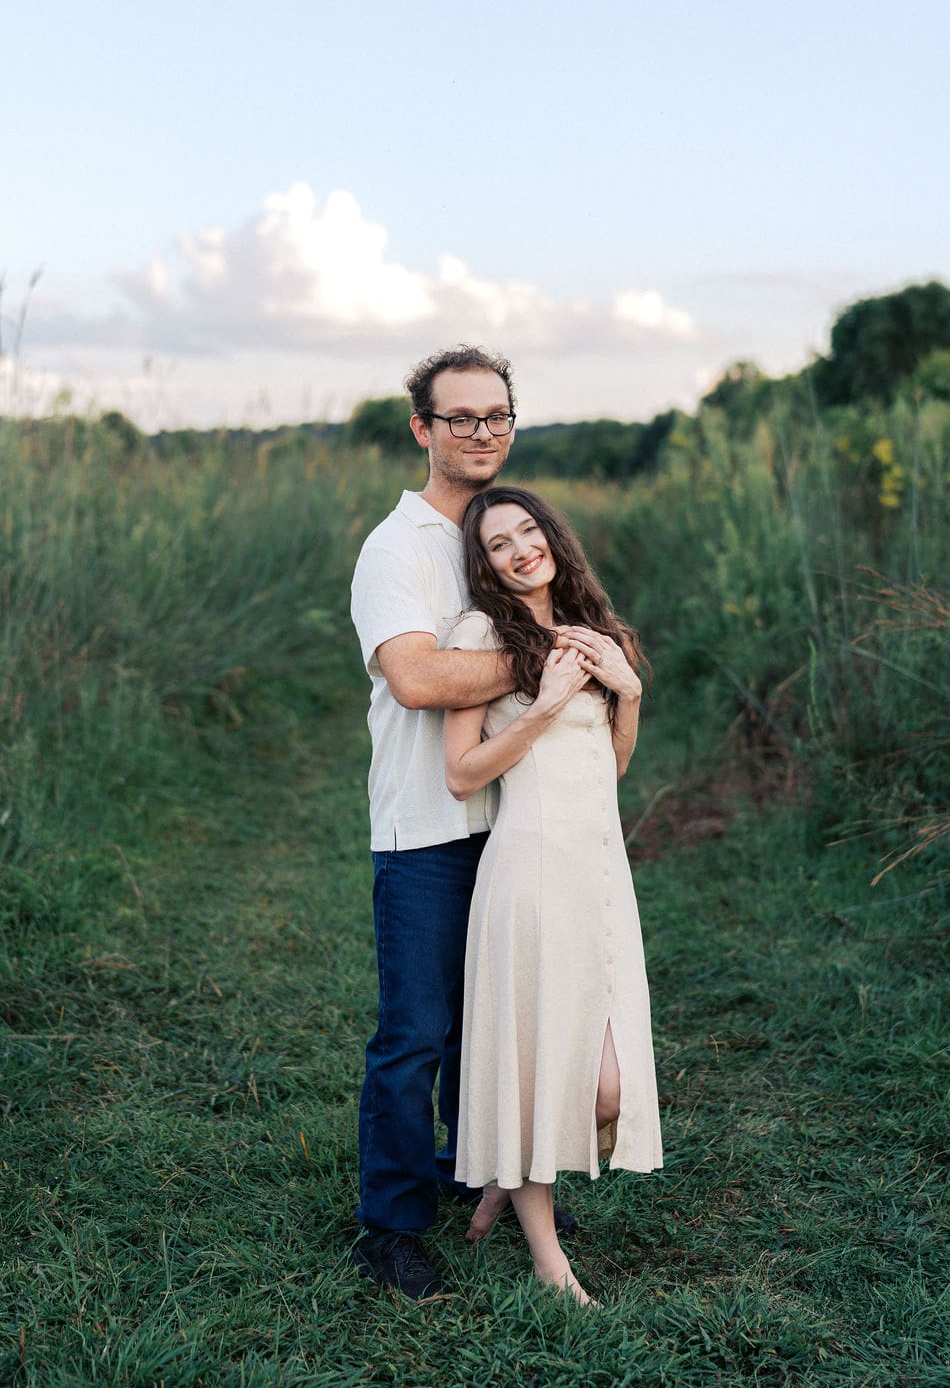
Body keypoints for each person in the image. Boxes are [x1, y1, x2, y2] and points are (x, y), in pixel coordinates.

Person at [349, 346, 573, 1302]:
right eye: (461, 417)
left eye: (498, 416)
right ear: (423, 430)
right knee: (417, 1030)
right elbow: (416, 677)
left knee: (501, 1018)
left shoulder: (507, 528)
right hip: (426, 824)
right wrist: (547, 664)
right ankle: (390, 1226)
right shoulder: (396, 549)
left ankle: (472, 1168)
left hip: (515, 817)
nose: (482, 432)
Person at [443, 486, 663, 1304]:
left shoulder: (587, 623)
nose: (519, 549)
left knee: (606, 1083)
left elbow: (608, 768)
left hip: (600, 872)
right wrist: (542, 708)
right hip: (529, 870)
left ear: (550, 536)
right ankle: (548, 1260)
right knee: (541, 1063)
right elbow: (461, 770)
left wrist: (626, 690)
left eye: (527, 530)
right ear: (486, 564)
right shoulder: (477, 637)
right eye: (499, 543)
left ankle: (508, 1173)